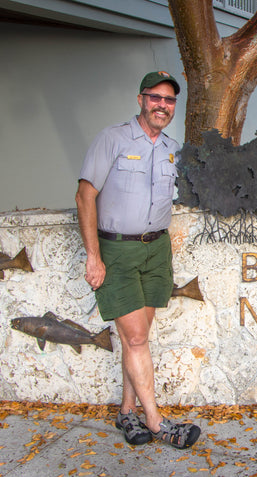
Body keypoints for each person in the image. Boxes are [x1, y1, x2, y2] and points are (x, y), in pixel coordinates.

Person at [75, 71, 201, 448]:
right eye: (155, 97)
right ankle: (158, 422)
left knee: (136, 339)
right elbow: (85, 196)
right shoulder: (111, 138)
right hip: (117, 250)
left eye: (169, 100)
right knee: (135, 338)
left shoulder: (172, 148)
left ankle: (127, 412)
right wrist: (94, 257)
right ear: (141, 100)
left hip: (156, 249)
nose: (162, 105)